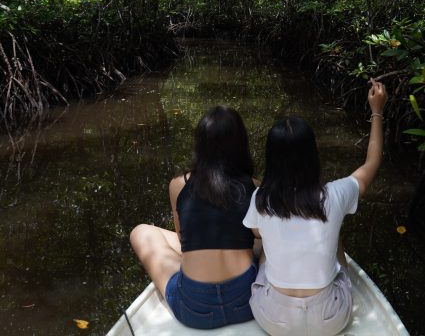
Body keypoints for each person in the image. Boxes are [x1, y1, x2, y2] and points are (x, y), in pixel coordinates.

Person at [243, 78, 388, 336]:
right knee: (337, 234)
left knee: (263, 244)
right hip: (330, 319)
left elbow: (256, 235)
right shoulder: (334, 195)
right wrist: (377, 111)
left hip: (274, 320)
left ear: (272, 159)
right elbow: (372, 163)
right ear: (312, 155)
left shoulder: (260, 199)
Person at [130, 105, 259, 329]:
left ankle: (201, 262)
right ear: (240, 144)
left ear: (200, 145)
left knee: (141, 232)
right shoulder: (255, 187)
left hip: (194, 309)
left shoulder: (179, 184)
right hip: (248, 303)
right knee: (265, 238)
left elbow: (182, 238)